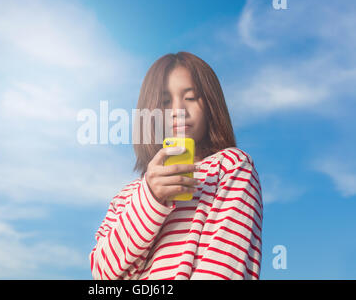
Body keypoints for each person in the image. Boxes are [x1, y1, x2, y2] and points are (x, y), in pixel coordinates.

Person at [89, 51, 263, 280]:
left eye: (190, 98)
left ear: (211, 105)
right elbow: (102, 273)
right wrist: (151, 198)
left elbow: (223, 270)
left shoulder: (230, 167)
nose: (178, 111)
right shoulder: (126, 196)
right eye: (165, 102)